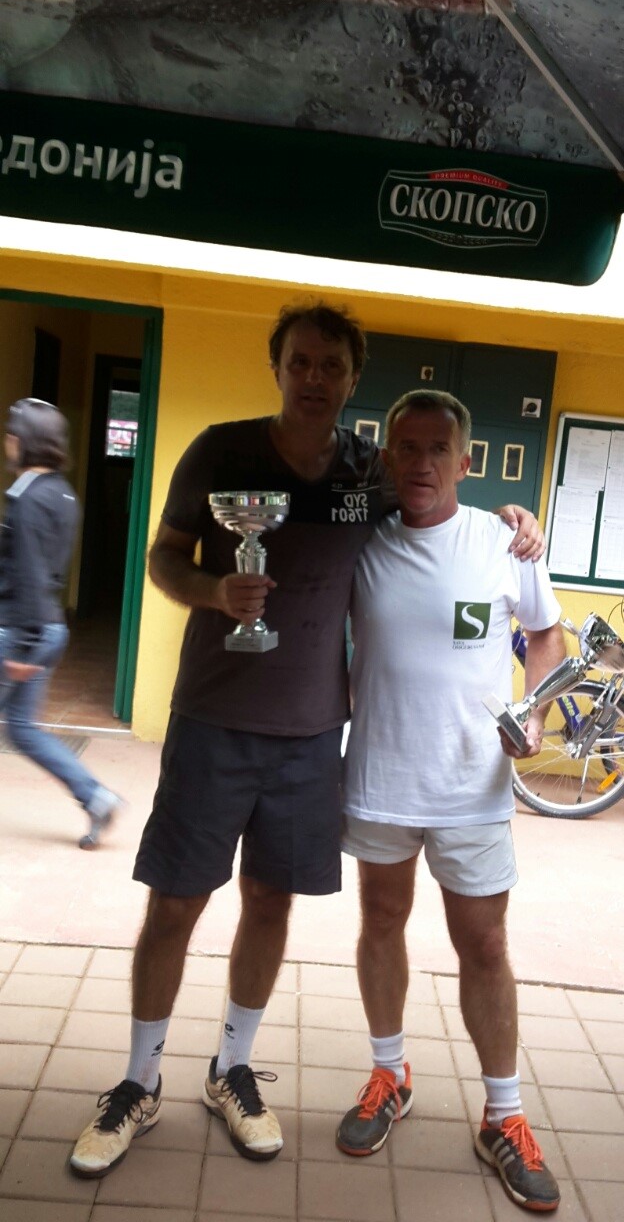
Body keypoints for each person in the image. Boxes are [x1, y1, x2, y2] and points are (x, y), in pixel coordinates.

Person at [69, 302, 545, 1179]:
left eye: (332, 365)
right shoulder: (221, 452)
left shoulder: (366, 475)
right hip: (213, 719)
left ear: (352, 378)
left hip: (312, 736)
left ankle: (232, 1070)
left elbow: (437, 503)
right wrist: (214, 593)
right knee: (174, 904)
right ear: (278, 366)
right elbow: (164, 555)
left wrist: (514, 520)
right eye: (301, 362)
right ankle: (138, 1081)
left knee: (269, 904)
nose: (315, 377)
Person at [336, 388, 565, 1213]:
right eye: (408, 446)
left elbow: (546, 635)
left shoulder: (505, 542)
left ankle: (504, 1115)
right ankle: (388, 1073)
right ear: (387, 455)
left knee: (486, 945)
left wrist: (535, 713)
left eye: (439, 449)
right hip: (381, 777)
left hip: (473, 785)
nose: (422, 462)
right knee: (381, 921)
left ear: (466, 462)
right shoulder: (361, 535)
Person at [0, 398, 125, 849]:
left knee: (21, 726)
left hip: (19, 631)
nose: (7, 441)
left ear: (26, 441)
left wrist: (24, 650)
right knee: (22, 728)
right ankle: (97, 798)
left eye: (12, 433)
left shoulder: (27, 497)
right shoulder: (63, 494)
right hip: (48, 626)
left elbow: (30, 574)